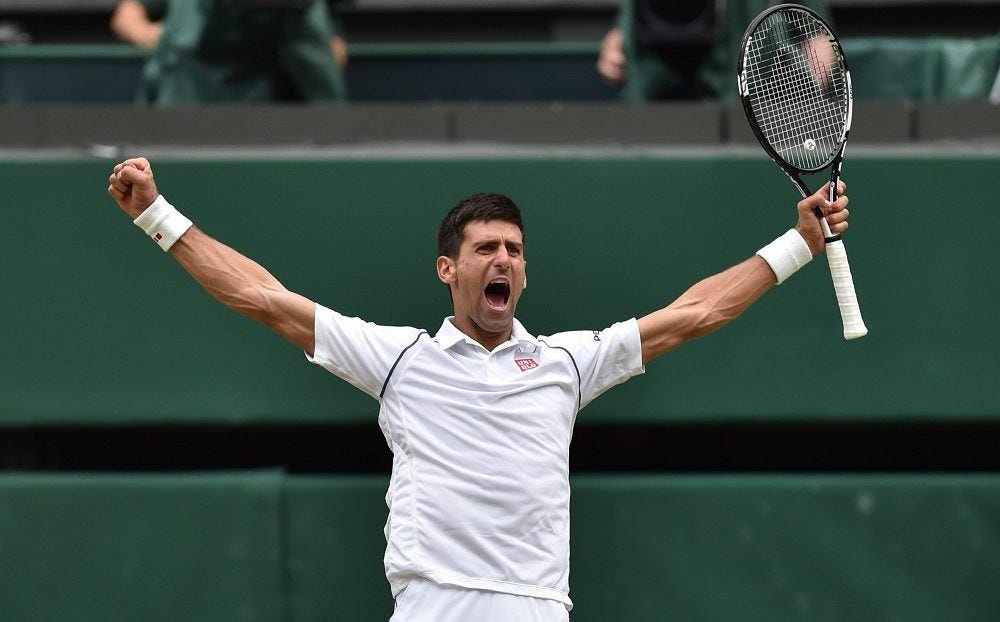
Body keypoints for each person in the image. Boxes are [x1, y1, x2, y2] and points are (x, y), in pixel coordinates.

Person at [107, 157, 850, 621]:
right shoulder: (399, 360)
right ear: (448, 270)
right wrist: (156, 216)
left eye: (515, 251)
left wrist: (798, 245)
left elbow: (694, 314)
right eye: (486, 248)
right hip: (434, 607)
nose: (503, 259)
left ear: (525, 273)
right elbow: (263, 298)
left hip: (535, 611)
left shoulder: (568, 362)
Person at [110, 0, 348, 105]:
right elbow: (127, 16)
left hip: (269, 102)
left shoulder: (306, 13)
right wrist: (161, 37)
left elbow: (334, 52)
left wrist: (321, 50)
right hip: (190, 94)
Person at [597, 0, 832, 100]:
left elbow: (818, 38)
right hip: (658, 91)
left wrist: (813, 95)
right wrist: (616, 42)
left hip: (748, 96)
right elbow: (627, 21)